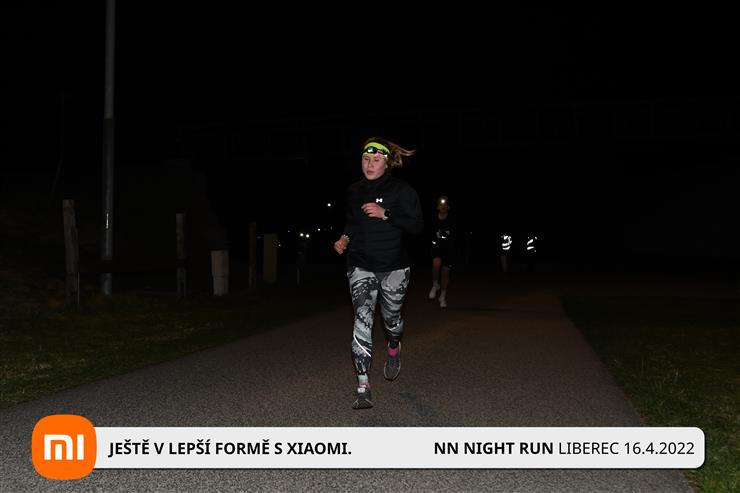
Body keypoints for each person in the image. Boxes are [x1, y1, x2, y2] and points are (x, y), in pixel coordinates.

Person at [334, 137, 423, 410]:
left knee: (391, 319)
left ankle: (394, 345)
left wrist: (386, 214)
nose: (369, 164)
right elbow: (353, 221)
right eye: (365, 159)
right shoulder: (354, 190)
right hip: (360, 265)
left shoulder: (401, 190)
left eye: (375, 160)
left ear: (387, 163)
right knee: (362, 320)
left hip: (395, 267)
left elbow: (417, 225)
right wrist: (344, 238)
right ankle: (363, 386)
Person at [428, 195, 454, 308]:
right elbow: (428, 233)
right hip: (437, 247)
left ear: (448, 207)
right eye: (440, 205)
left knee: (445, 273)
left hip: (448, 248)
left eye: (445, 205)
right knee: (436, 265)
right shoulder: (433, 219)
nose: (442, 207)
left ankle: (442, 296)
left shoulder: (452, 219)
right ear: (437, 207)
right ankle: (435, 285)